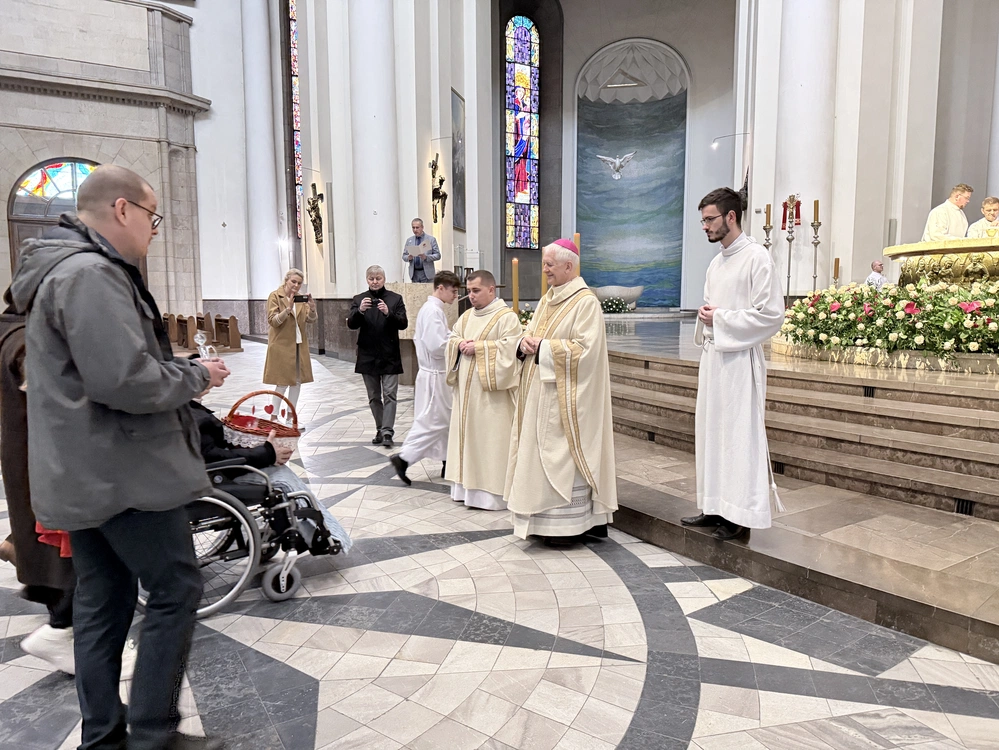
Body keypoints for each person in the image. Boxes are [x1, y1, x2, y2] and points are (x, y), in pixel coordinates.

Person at [10, 164, 230, 750]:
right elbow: (125, 381)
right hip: (124, 475)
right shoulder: (90, 274)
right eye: (153, 216)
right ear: (123, 210)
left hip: (86, 474)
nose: (155, 230)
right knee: (176, 589)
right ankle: (153, 733)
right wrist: (197, 376)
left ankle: (104, 738)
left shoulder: (64, 268)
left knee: (102, 603)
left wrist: (179, 370)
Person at [682, 187, 784, 542]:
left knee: (738, 438)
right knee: (711, 432)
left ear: (731, 216)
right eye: (703, 221)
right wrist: (706, 315)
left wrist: (721, 318)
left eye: (710, 219)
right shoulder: (716, 263)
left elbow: (772, 315)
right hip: (714, 360)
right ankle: (714, 506)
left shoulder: (757, 258)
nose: (705, 226)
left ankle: (739, 515)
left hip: (740, 362)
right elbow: (713, 308)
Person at [505, 240, 618, 543]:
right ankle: (542, 522)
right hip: (539, 392)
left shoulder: (585, 302)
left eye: (549, 265)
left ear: (569, 266)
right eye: (544, 264)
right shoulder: (547, 299)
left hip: (566, 397)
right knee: (538, 457)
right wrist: (524, 343)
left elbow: (586, 350)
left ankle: (568, 526)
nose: (544, 270)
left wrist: (543, 347)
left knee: (564, 455)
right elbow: (532, 334)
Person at [0, 292, 76, 675]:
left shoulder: (12, 327)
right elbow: (48, 385)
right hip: (45, 460)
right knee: (61, 551)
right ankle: (61, 632)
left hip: (32, 456)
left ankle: (17, 545)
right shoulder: (23, 339)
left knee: (49, 547)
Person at [191, 390, 353, 554]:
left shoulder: (189, 409)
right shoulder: (192, 415)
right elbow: (212, 456)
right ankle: (322, 536)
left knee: (281, 473)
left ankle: (309, 533)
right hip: (218, 477)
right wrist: (267, 452)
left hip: (216, 473)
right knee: (283, 480)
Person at [443, 270, 522, 509]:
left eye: (476, 290)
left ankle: (491, 496)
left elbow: (512, 349)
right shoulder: (466, 316)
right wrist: (459, 344)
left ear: (491, 289)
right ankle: (465, 490)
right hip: (466, 395)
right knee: (467, 439)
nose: (471, 296)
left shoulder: (506, 317)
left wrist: (479, 347)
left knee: (490, 442)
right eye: (469, 291)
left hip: (491, 399)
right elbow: (453, 338)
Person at [390, 270, 461, 485]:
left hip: (434, 374)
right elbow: (436, 346)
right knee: (433, 421)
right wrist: (459, 344)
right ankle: (404, 458)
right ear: (440, 288)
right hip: (434, 375)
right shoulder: (432, 311)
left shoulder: (434, 309)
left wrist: (453, 338)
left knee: (446, 420)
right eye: (453, 291)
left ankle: (448, 462)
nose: (456, 295)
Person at [348, 265, 408, 447]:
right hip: (368, 354)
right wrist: (360, 311)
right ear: (367, 279)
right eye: (371, 278)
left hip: (389, 354)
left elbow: (403, 323)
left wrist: (388, 313)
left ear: (384, 279)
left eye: (378, 278)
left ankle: (388, 431)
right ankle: (380, 428)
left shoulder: (395, 299)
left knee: (390, 394)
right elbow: (351, 324)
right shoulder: (359, 299)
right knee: (374, 396)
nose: (375, 282)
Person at [263, 268, 317, 410]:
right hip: (281, 345)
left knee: (297, 382)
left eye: (299, 283)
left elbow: (310, 320)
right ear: (286, 280)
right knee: (282, 383)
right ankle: (274, 416)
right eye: (293, 281)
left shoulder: (300, 299)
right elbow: (273, 321)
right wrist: (287, 309)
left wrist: (312, 308)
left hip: (299, 344)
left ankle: (291, 415)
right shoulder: (275, 296)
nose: (296, 285)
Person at [402, 218, 441, 283]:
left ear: (422, 227)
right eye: (413, 228)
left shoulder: (431, 239)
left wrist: (426, 257)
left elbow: (438, 255)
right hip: (414, 273)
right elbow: (404, 256)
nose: (415, 230)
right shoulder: (409, 241)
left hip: (427, 273)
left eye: (417, 228)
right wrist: (408, 258)